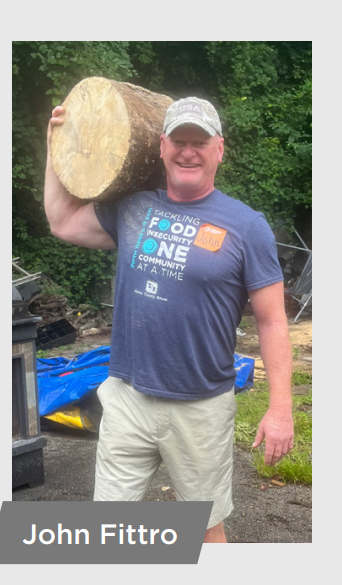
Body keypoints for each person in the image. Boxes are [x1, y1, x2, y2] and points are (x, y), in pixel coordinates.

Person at [44, 96, 294, 543]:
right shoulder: (133, 208)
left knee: (202, 530)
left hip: (200, 406)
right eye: (179, 140)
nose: (187, 151)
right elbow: (62, 222)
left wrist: (280, 410)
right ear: (161, 146)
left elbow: (274, 322)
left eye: (199, 141)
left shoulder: (246, 225)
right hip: (126, 396)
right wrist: (56, 148)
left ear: (220, 149)